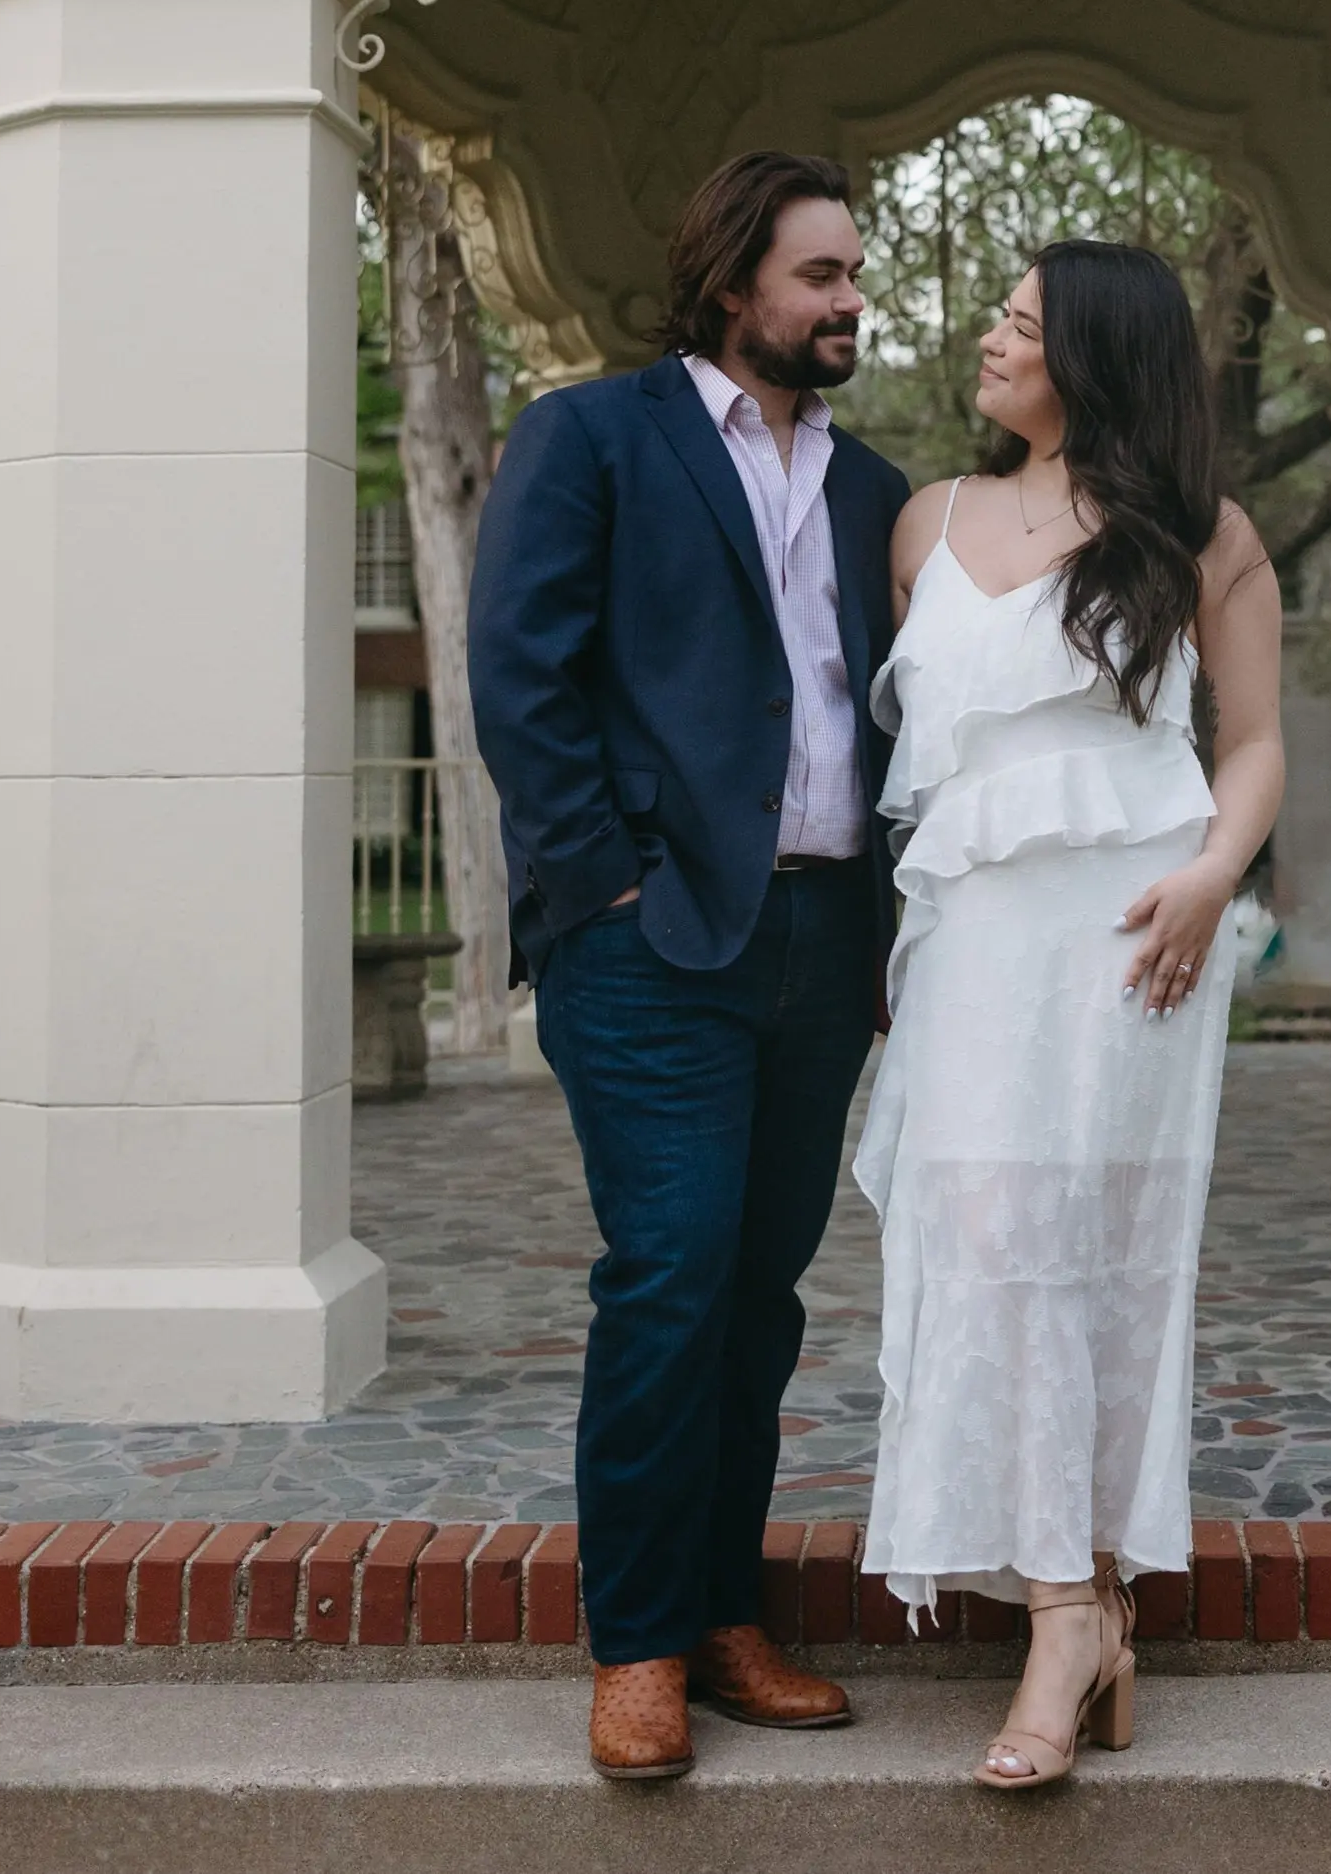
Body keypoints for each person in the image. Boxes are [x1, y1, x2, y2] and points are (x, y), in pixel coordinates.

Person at [468, 149, 909, 1782]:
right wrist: (606, 893)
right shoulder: (592, 435)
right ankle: (640, 1642)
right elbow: (523, 678)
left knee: (757, 1293)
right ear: (735, 285)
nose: (850, 298)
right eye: (821, 275)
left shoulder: (873, 490)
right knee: (666, 1275)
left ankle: (727, 1614)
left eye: (854, 273)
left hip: (822, 936)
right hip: (654, 941)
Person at [856, 238, 1284, 1791]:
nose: (989, 336)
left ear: (1096, 356)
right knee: (978, 1235)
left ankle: (1070, 1606)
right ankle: (1070, 1601)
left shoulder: (1200, 533)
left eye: (1022, 322)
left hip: (1131, 936)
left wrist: (1210, 877)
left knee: (1098, 1249)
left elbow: (1251, 746)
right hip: (973, 939)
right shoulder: (924, 523)